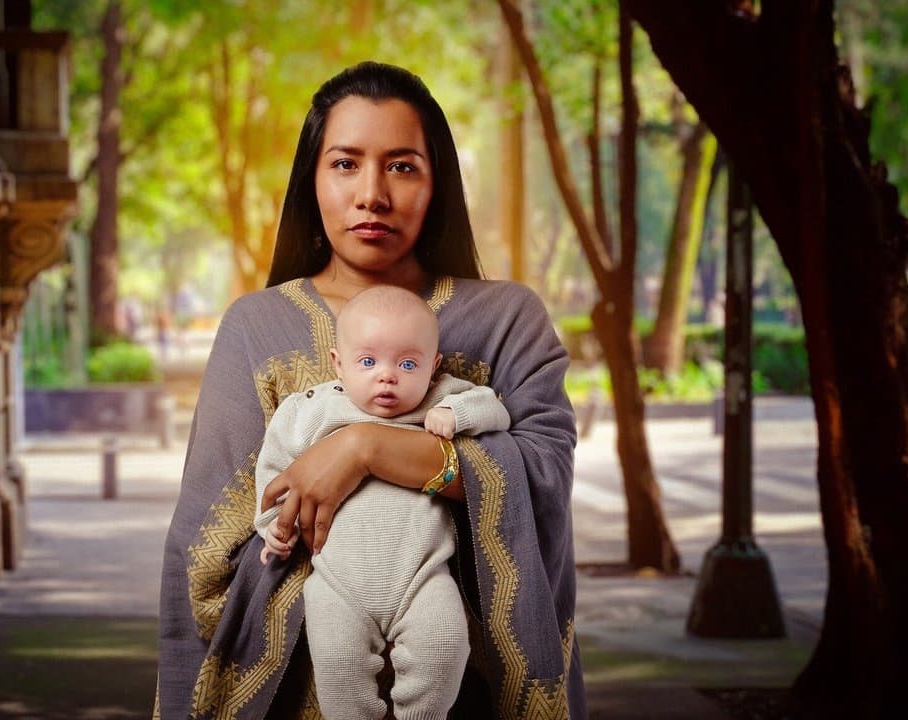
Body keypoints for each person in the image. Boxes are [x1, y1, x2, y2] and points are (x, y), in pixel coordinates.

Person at [155, 61, 586, 719]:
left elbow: (545, 477)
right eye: (346, 163)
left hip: (467, 691)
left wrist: (363, 448)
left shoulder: (506, 319)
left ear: (438, 182)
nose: (373, 195)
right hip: (300, 688)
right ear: (312, 180)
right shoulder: (257, 326)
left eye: (403, 166)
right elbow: (205, 550)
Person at [253, 286, 511, 718]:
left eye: (407, 364)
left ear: (434, 367)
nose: (387, 376)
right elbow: (275, 473)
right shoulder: (311, 411)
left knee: (446, 646)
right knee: (337, 665)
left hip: (424, 576)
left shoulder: (438, 398)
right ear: (338, 363)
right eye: (368, 362)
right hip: (337, 584)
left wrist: (456, 416)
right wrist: (275, 528)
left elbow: (495, 410)